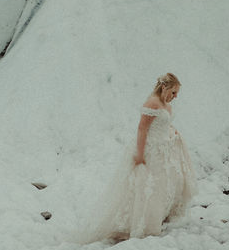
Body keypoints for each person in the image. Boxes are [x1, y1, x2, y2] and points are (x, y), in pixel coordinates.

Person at [82, 73, 195, 241]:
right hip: (151, 150)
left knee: (160, 187)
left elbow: (163, 123)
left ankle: (157, 217)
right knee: (146, 187)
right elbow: (142, 129)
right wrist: (140, 154)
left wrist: (173, 133)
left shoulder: (164, 103)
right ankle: (140, 223)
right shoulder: (152, 103)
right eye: (173, 92)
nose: (175, 96)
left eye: (177, 93)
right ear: (164, 87)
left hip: (163, 149)